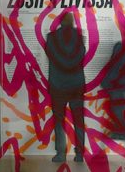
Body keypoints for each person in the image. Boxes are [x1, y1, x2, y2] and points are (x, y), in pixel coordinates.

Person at [44, 11, 87, 163]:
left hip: (58, 85)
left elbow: (51, 57)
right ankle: (80, 154)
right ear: (73, 22)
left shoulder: (51, 38)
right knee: (78, 120)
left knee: (59, 121)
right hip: (76, 85)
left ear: (60, 22)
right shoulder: (79, 38)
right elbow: (80, 58)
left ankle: (61, 154)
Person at [101, 42, 125, 141]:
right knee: (118, 113)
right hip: (118, 93)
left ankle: (120, 133)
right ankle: (120, 132)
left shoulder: (114, 64)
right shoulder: (123, 63)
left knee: (117, 113)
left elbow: (109, 78)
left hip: (115, 93)